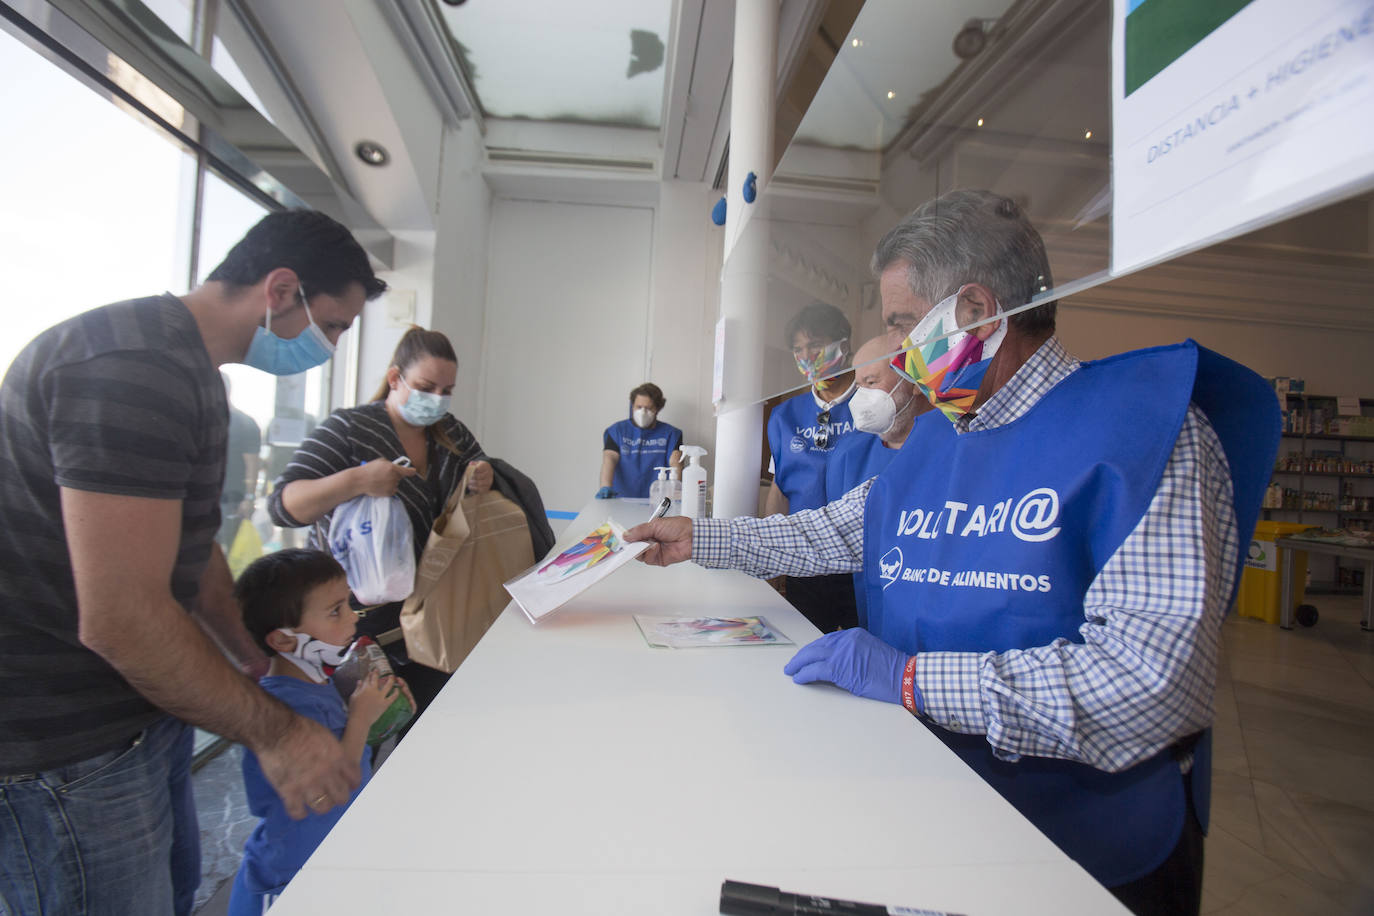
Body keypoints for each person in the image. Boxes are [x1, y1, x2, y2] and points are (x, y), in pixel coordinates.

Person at [626, 189, 1279, 916]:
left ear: (973, 309)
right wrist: (701, 537)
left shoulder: (1148, 433)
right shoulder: (939, 432)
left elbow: (1147, 687)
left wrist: (912, 681)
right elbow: (835, 530)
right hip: (931, 812)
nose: (900, 349)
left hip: (1084, 853)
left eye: (904, 323)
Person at [0, 209, 387, 916]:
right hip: (64, 746)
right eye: (331, 325)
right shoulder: (131, 369)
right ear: (279, 290)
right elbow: (120, 616)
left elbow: (190, 542)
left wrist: (249, 656)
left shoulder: (192, 373)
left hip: (139, 716)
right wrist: (278, 730)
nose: (329, 347)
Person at [269, 327, 492, 720]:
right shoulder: (350, 430)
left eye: (447, 390)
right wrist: (355, 481)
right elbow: (283, 506)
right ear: (395, 379)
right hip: (353, 622)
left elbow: (483, 467)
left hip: (428, 616)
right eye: (426, 387)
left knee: (425, 726)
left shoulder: (449, 433)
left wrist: (482, 476)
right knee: (359, 733)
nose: (436, 400)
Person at [228, 549, 412, 915]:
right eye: (335, 611)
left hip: (330, 857)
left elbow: (343, 746)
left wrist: (382, 712)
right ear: (282, 641)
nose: (353, 619)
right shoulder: (284, 712)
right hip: (293, 876)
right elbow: (326, 795)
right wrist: (360, 718)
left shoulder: (318, 681)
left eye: (347, 604)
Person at [765, 302, 860, 632]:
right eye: (798, 349)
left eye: (816, 345)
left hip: (862, 564)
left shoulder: (872, 401)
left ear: (843, 346)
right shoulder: (785, 416)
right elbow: (780, 490)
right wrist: (773, 557)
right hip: (805, 560)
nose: (806, 356)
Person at [822, 331, 927, 628]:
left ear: (914, 379)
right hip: (868, 618)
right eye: (858, 385)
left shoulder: (948, 445)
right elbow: (831, 538)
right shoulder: (849, 454)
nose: (862, 397)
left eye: (871, 382)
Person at [597, 382, 683, 498]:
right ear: (632, 406)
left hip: (658, 502)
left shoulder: (671, 434)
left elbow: (675, 464)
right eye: (639, 407)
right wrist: (605, 486)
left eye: (648, 408)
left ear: (657, 408)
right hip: (621, 501)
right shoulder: (616, 431)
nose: (642, 412)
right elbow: (609, 459)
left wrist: (674, 494)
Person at [217, 372, 264, 551]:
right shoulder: (207, 419)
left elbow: (253, 464)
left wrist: (249, 498)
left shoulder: (245, 423)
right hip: (207, 497)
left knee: (231, 550)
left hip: (232, 501)